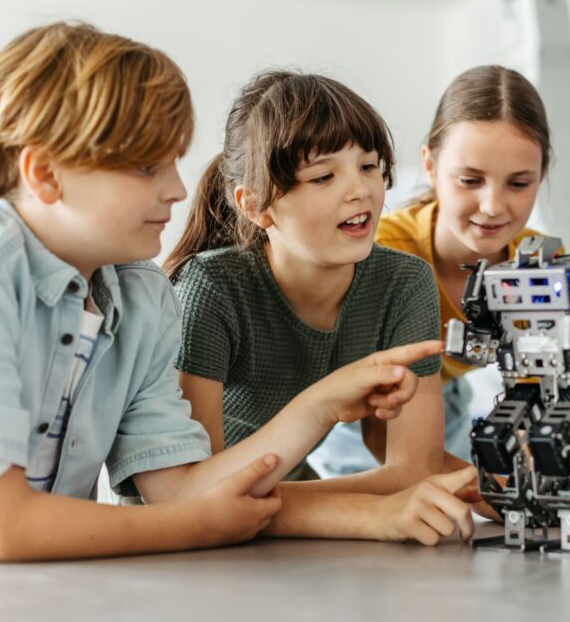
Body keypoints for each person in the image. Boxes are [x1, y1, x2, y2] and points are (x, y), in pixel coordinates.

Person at [0, 22, 467, 562]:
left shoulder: (141, 296)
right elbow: (1, 530)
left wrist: (323, 404)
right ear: (45, 175)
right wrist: (200, 526)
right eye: (148, 167)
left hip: (48, 580)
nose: (178, 188)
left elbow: (184, 488)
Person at [166, 70, 480, 541]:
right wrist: (364, 513)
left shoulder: (405, 281)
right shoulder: (211, 287)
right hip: (176, 544)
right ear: (256, 206)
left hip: (282, 515)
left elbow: (411, 472)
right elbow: (194, 495)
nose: (360, 190)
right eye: (324, 176)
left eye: (369, 166)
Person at [314, 64, 556, 474]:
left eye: (518, 183)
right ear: (429, 164)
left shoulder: (537, 262)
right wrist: (486, 489)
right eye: (470, 180)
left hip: (448, 405)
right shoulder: (385, 252)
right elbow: (381, 437)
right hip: (358, 419)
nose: (493, 206)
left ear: (542, 176)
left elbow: (536, 386)